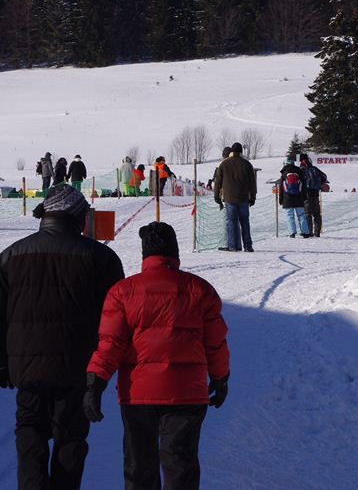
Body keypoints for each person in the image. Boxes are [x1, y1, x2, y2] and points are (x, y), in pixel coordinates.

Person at [84, 222, 230, 490]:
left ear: (144, 254)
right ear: (175, 253)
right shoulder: (200, 290)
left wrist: (96, 381)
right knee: (180, 464)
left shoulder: (123, 292)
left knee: (139, 465)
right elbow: (215, 343)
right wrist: (220, 378)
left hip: (138, 393)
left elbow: (110, 343)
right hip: (188, 393)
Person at [0, 185, 125, 489]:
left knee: (30, 435)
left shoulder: (11, 256)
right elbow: (115, 321)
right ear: (77, 217)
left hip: (26, 369)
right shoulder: (102, 258)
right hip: (78, 369)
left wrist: (3, 364)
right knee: (70, 439)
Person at [214, 143, 257, 252]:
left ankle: (232, 246)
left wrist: (217, 197)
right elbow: (253, 183)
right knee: (245, 222)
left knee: (231, 222)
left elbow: (218, 182)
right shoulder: (247, 164)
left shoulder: (224, 164)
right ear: (241, 151)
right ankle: (248, 245)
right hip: (244, 198)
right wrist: (253, 197)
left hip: (229, 197)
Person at [279, 158, 309, 238]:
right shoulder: (299, 171)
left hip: (287, 198)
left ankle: (292, 233)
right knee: (302, 215)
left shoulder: (284, 173)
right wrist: (304, 197)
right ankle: (305, 232)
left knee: (290, 216)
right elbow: (304, 186)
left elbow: (281, 188)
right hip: (299, 198)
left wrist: (280, 199)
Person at [299, 153, 328, 237]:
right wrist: (319, 184)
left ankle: (309, 232)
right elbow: (324, 177)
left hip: (306, 195)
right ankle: (317, 232)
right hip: (315, 194)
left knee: (307, 214)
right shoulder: (314, 168)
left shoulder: (301, 170)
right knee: (316, 214)